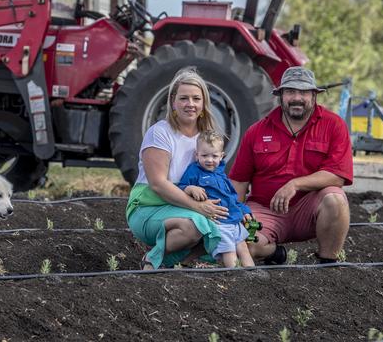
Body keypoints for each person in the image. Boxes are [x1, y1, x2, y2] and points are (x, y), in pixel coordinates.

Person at [231, 66, 352, 264]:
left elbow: (337, 175)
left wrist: (295, 184)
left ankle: (328, 264)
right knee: (243, 246)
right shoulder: (256, 131)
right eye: (290, 91)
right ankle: (275, 253)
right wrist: (235, 214)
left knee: (336, 200)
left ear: (314, 95)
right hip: (265, 208)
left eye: (304, 92)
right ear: (280, 95)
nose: (297, 97)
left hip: (310, 208)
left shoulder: (334, 125)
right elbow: (239, 181)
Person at [126, 68, 229, 270]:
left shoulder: (206, 139)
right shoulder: (160, 133)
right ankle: (152, 258)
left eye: (196, 99)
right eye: (184, 98)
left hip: (183, 207)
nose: (190, 104)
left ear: (203, 103)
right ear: (173, 101)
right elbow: (158, 184)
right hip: (149, 206)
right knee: (193, 227)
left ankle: (180, 261)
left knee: (227, 230)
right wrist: (199, 207)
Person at [178, 131, 255, 268]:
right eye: (204, 155)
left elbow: (232, 197)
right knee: (229, 250)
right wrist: (190, 188)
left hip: (233, 219)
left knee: (243, 247)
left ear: (221, 156)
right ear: (197, 155)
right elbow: (180, 187)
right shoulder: (194, 171)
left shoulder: (221, 174)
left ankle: (253, 273)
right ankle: (235, 274)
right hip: (219, 222)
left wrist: (244, 210)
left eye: (214, 156)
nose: (209, 160)